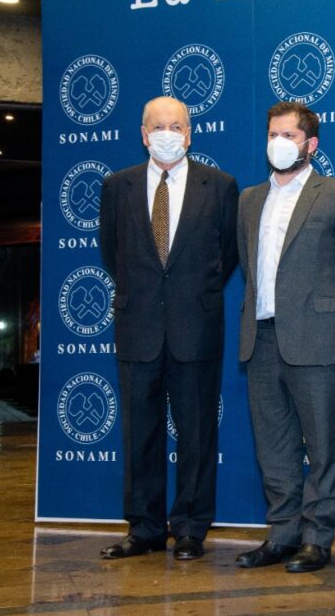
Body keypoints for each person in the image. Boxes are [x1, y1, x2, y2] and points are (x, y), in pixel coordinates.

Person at [98, 95, 239, 561]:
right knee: (140, 433)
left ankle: (192, 527)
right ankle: (144, 528)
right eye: (157, 126)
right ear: (143, 135)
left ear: (189, 134)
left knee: (197, 433)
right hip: (138, 327)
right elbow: (112, 253)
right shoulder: (117, 186)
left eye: (176, 126)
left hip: (195, 327)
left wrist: (190, 294)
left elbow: (226, 256)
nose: (167, 134)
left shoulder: (219, 186)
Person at [234, 101, 335, 573]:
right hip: (261, 338)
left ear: (310, 144)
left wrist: (325, 312)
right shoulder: (250, 199)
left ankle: (317, 538)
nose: (278, 143)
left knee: (324, 446)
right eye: (273, 134)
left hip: (318, 339)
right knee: (273, 446)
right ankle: (282, 533)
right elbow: (248, 266)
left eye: (289, 135)